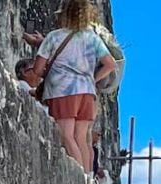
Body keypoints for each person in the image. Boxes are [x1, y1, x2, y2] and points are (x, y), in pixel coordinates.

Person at [32, 0, 116, 175]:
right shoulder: (92, 38)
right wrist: (93, 79)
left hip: (62, 91)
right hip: (87, 92)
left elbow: (38, 69)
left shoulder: (54, 37)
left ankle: (80, 178)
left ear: (64, 14)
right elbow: (110, 64)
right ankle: (88, 178)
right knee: (81, 138)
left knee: (66, 136)